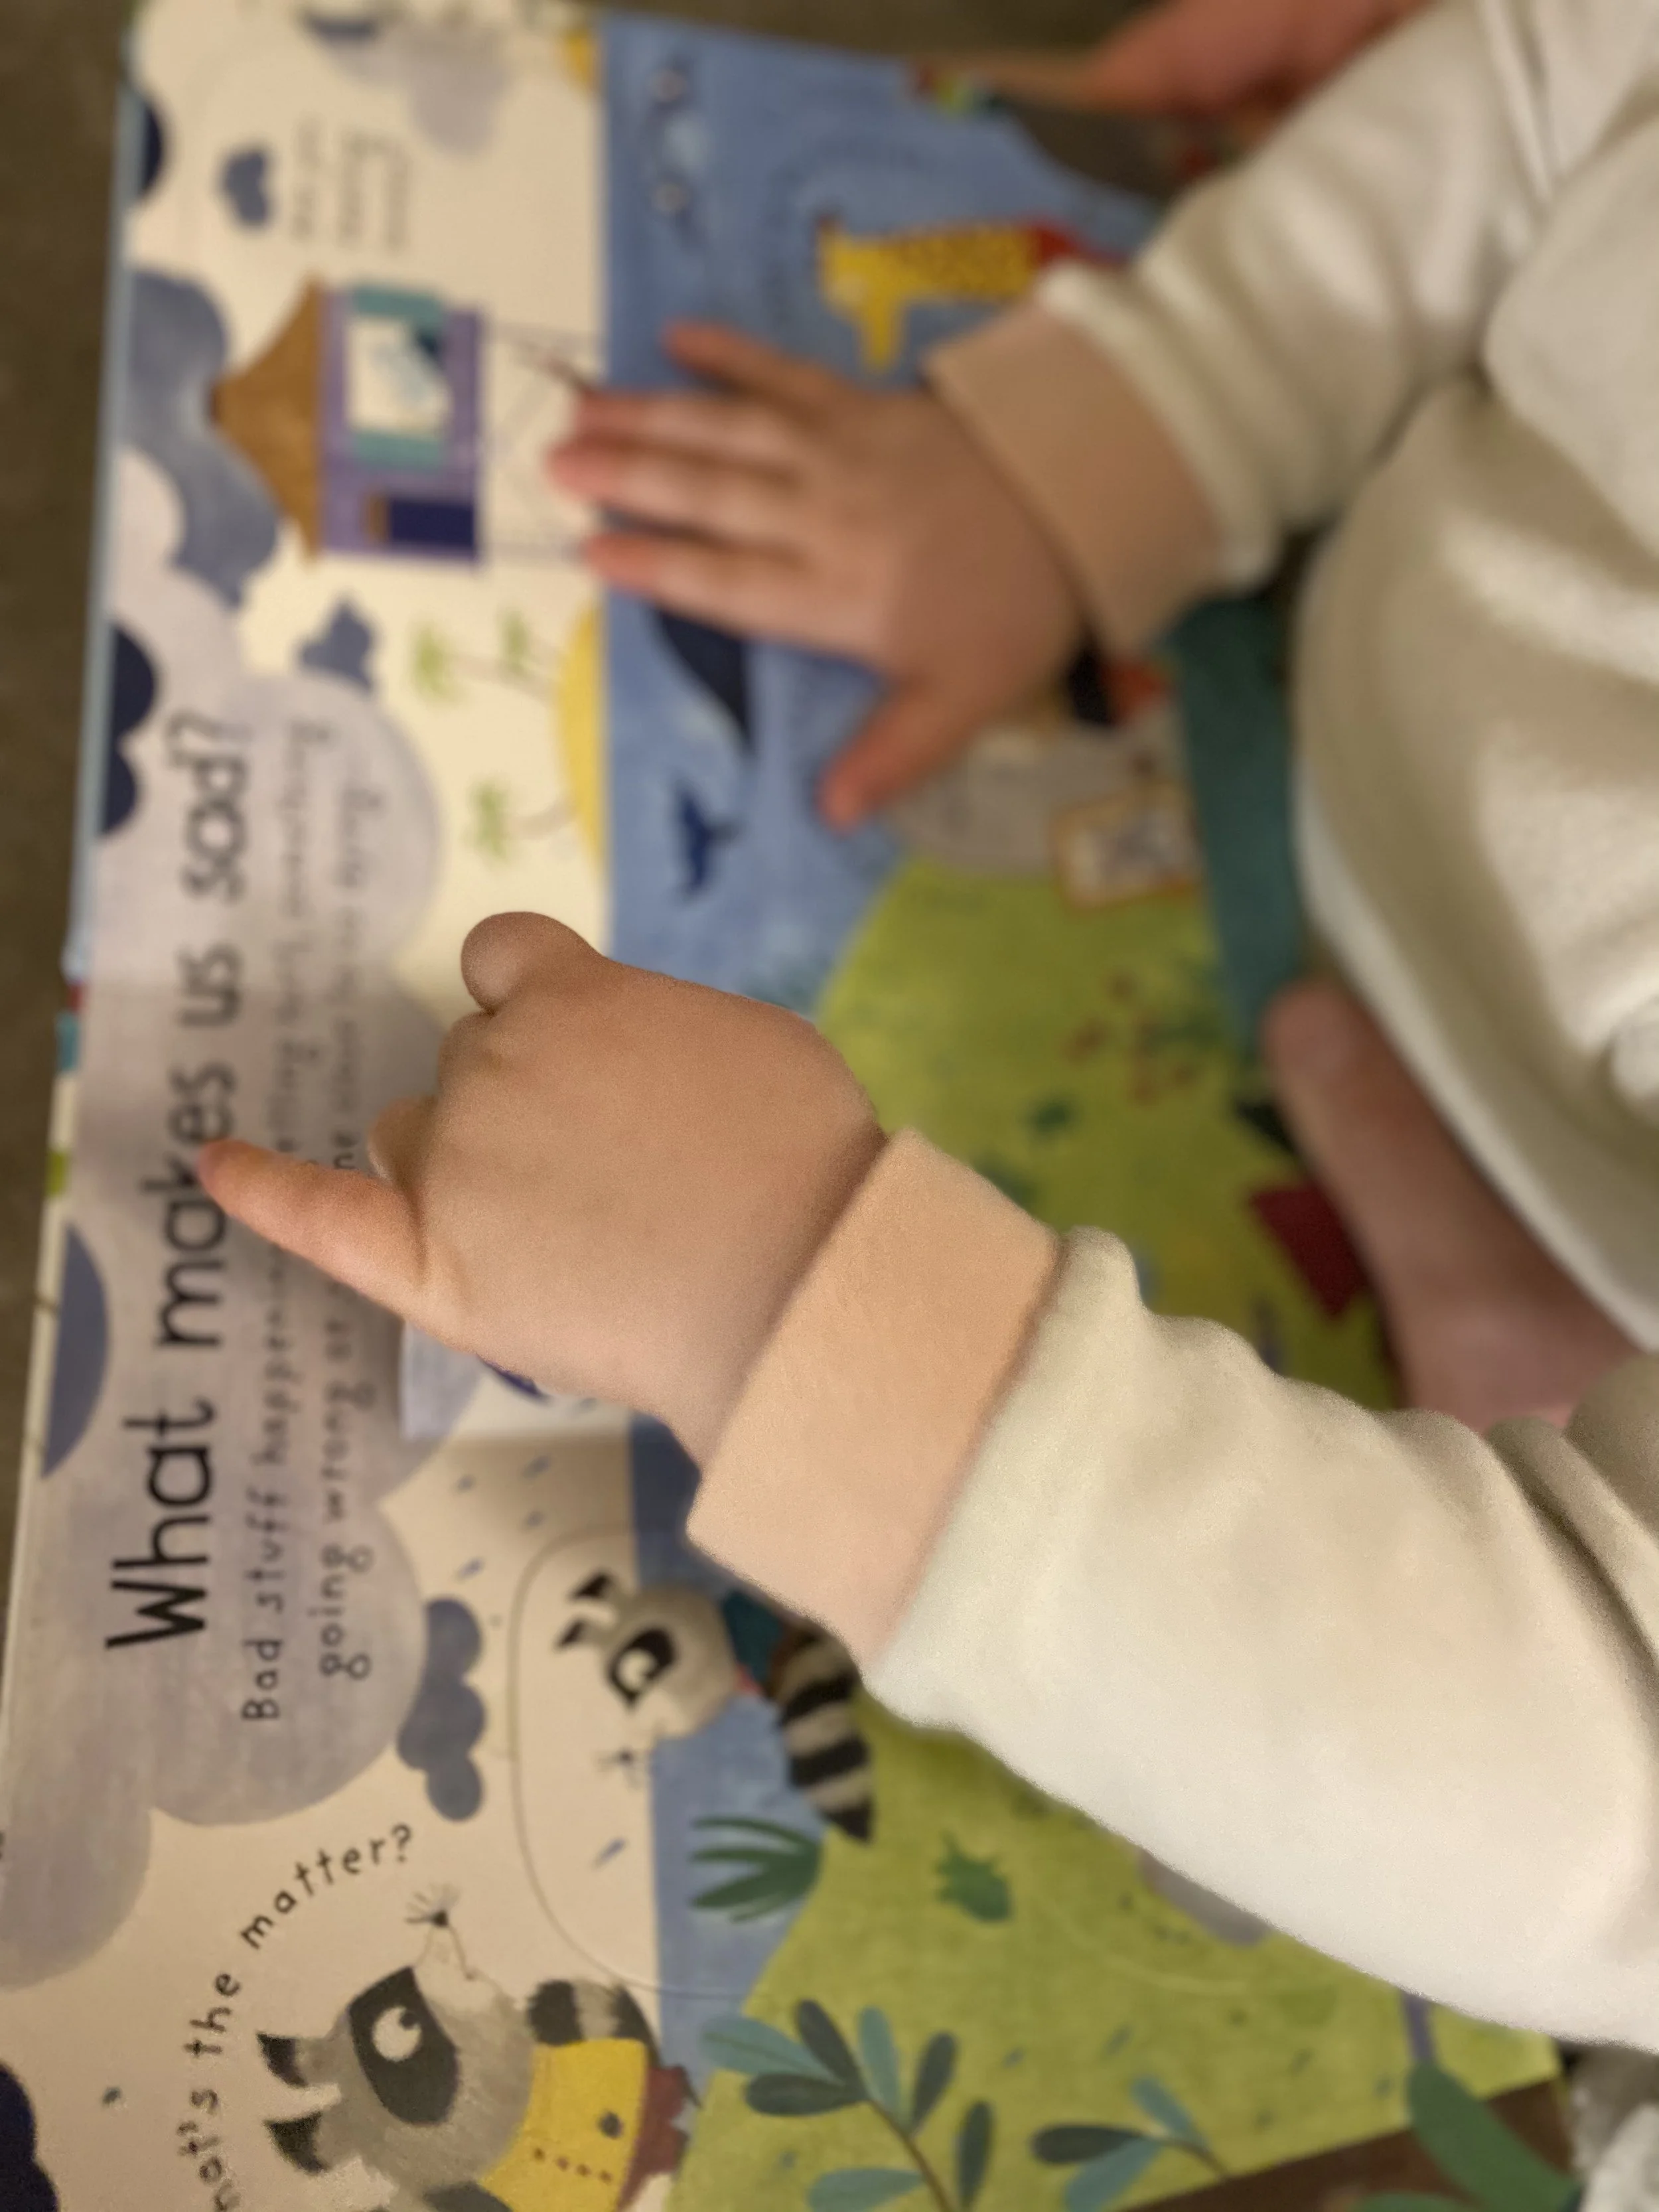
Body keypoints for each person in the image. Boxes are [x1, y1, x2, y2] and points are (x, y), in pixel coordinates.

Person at [200, 0, 1659, 2051]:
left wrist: (785, 1301)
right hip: (1371, 654)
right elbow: (1557, 71)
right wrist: (1121, 445)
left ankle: (1553, 1362)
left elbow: (1608, 1811)